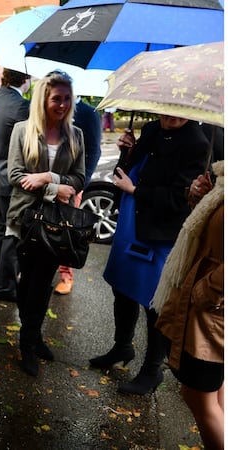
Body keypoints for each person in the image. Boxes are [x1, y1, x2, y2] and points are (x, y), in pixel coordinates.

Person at [93, 114, 210, 395]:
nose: (170, 116)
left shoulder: (197, 142)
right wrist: (127, 151)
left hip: (161, 233)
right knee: (122, 288)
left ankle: (152, 369)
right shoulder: (151, 129)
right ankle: (122, 347)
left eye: (177, 111)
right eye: (165, 109)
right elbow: (127, 173)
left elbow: (180, 199)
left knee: (155, 302)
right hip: (132, 223)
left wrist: (136, 190)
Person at [7, 70, 85, 376]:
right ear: (44, 99)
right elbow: (14, 176)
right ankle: (29, 340)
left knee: (42, 284)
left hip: (57, 223)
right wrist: (54, 187)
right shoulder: (22, 131)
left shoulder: (75, 135)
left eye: (67, 98)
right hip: (26, 219)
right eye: (57, 98)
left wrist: (48, 176)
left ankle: (31, 339)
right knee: (28, 284)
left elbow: (78, 178)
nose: (63, 104)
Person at [154, 161, 223, 450]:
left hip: (212, 310)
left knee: (200, 399)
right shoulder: (223, 178)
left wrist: (204, 291)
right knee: (216, 397)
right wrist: (202, 196)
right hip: (209, 306)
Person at [0, 68, 32, 303]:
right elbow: (27, 144)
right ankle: (5, 286)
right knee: (12, 233)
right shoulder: (22, 106)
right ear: (25, 79)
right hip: (11, 178)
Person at [54, 96, 102, 295]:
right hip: (47, 179)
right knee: (41, 224)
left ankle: (66, 275)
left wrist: (81, 181)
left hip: (72, 182)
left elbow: (94, 150)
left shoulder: (89, 113)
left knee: (66, 230)